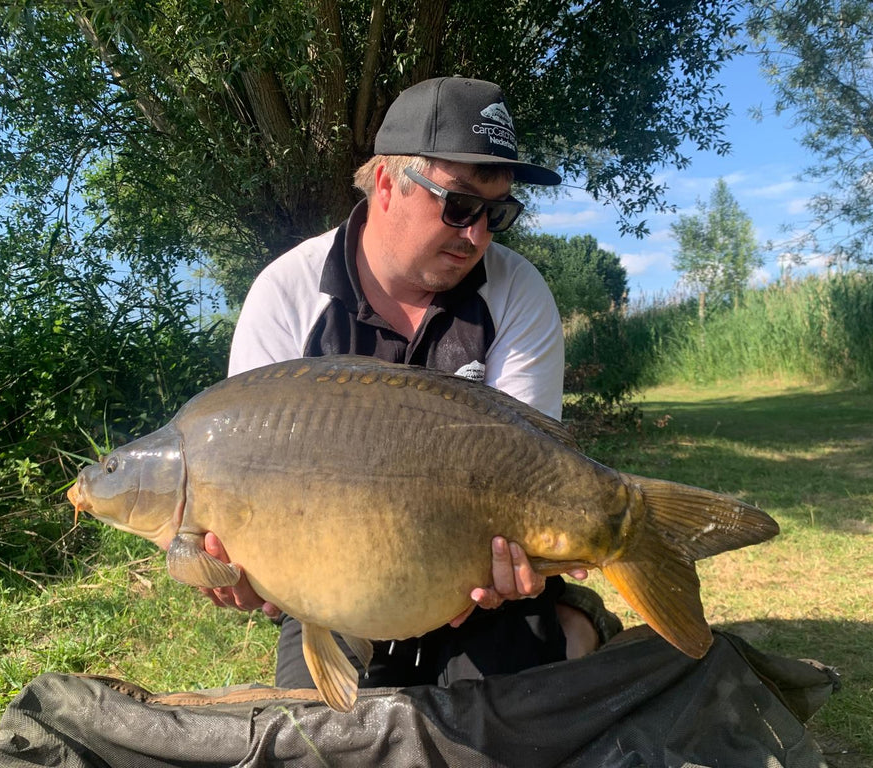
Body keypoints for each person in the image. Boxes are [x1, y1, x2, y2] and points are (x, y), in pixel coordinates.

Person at [200, 77, 620, 689]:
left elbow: (534, 473)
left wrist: (528, 567)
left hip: (477, 571)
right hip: (335, 577)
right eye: (459, 206)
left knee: (497, 733)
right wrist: (241, 566)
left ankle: (571, 622)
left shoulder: (516, 291)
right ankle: (569, 625)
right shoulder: (286, 294)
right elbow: (244, 478)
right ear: (388, 183)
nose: (477, 234)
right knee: (319, 741)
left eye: (497, 213)